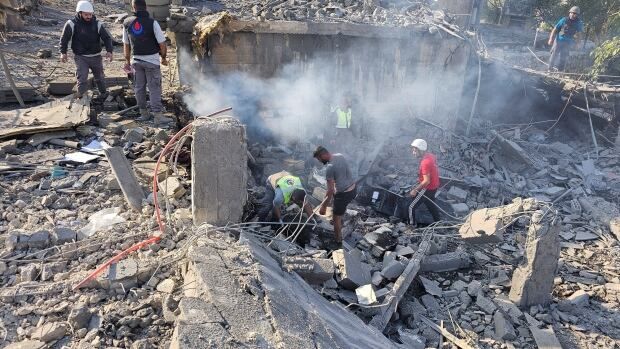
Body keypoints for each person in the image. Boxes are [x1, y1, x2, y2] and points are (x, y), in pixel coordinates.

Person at [123, 0, 168, 121]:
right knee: (154, 88)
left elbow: (126, 45)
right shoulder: (152, 23)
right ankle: (158, 116)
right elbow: (162, 43)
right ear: (146, 7)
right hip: (152, 62)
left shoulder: (127, 23)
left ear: (133, 7)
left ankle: (144, 114)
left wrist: (127, 62)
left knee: (139, 88)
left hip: (136, 61)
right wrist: (163, 58)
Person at [59, 0, 113, 98]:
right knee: (82, 78)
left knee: (100, 78)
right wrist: (63, 52)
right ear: (79, 13)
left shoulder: (97, 24)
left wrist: (109, 51)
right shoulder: (71, 23)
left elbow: (106, 38)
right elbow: (64, 38)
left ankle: (104, 95)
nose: (88, 16)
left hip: (96, 57)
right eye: (86, 14)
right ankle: (81, 97)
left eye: (90, 14)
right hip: (81, 57)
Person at [313, 146, 357, 245]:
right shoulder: (340, 156)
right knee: (337, 203)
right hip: (353, 189)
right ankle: (341, 214)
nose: (320, 161)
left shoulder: (329, 168)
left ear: (324, 155)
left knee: (335, 218)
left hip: (343, 194)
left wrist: (323, 207)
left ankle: (338, 241)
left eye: (319, 159)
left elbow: (330, 190)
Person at [406, 139, 441, 225]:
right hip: (434, 186)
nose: (413, 153)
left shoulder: (425, 162)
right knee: (430, 204)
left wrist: (415, 190)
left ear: (421, 150)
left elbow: (426, 181)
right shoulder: (431, 156)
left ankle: (411, 226)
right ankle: (438, 222)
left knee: (411, 207)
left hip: (427, 188)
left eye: (415, 151)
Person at [548, 6, 584, 72]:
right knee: (554, 55)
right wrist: (551, 39)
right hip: (559, 41)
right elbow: (555, 29)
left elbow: (579, 34)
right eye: (572, 13)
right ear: (569, 13)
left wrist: (578, 43)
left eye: (575, 14)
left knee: (563, 57)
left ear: (577, 15)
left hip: (568, 42)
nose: (573, 15)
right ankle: (549, 70)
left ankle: (560, 71)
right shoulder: (564, 20)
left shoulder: (578, 23)